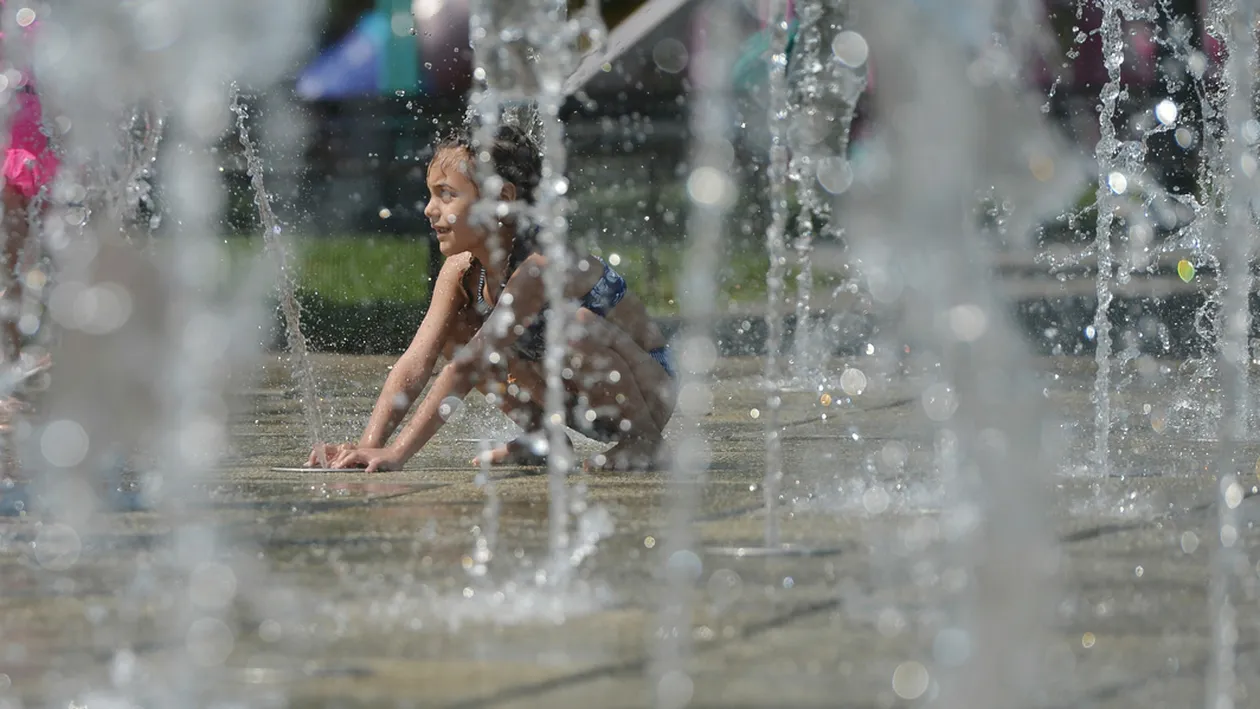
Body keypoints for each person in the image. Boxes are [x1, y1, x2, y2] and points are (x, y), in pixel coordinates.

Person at [307, 123, 676, 472]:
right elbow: (415, 363)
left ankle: (644, 441)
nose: (429, 209)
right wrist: (369, 445)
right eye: (431, 193)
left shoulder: (540, 265)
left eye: (446, 194)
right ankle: (543, 437)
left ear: (502, 199)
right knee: (458, 334)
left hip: (648, 394)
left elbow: (466, 370)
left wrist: (398, 453)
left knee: (573, 327)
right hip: (579, 398)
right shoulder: (462, 271)